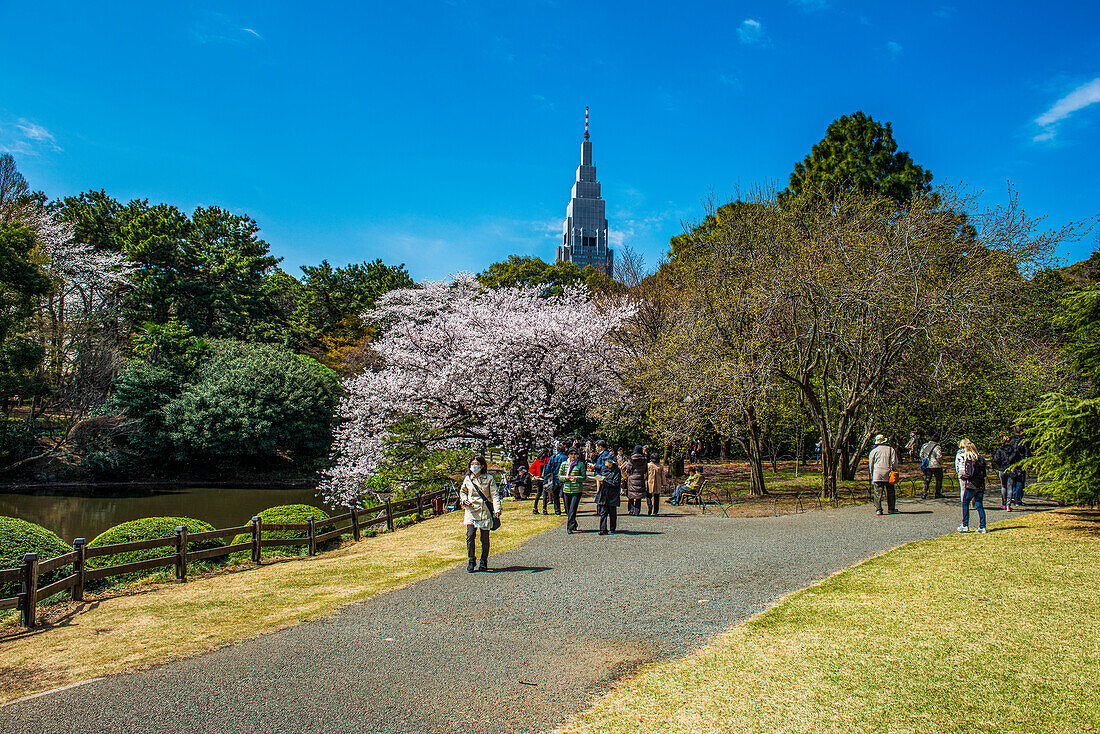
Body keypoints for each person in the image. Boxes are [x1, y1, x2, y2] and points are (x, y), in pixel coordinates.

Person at [459, 455, 501, 572]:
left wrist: (497, 509)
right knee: (470, 536)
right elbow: (463, 491)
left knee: (484, 538)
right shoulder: (468, 478)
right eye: (472, 464)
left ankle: (484, 561)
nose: (474, 466)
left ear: (482, 466)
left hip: (484, 511)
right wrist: (463, 499)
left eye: (476, 464)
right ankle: (471, 559)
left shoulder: (489, 478)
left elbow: (495, 495)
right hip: (471, 511)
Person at [957, 438, 988, 533]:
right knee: (979, 504)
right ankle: (982, 526)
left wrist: (964, 477)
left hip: (972, 485)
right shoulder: (981, 459)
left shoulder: (970, 460)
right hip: (980, 484)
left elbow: (970, 473)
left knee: (965, 502)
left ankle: (965, 524)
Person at [867, 434, 899, 515]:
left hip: (877, 473)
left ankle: (878, 509)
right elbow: (894, 462)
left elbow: (871, 463)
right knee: (890, 491)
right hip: (888, 473)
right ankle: (891, 508)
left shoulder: (874, 451)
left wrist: (871, 473)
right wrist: (895, 470)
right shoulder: (890, 450)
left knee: (878, 492)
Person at [559, 447, 586, 533]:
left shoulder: (580, 464)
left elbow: (584, 477)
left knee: (573, 509)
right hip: (566, 489)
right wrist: (565, 478)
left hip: (576, 490)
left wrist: (577, 478)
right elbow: (560, 476)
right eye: (571, 454)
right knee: (567, 509)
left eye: (575, 454)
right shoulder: (564, 464)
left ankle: (569, 527)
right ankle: (573, 523)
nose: (573, 456)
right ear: (568, 455)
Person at [596, 453, 621, 535]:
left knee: (612, 512)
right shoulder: (603, 469)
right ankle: (603, 529)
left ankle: (612, 528)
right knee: (603, 512)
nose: (605, 462)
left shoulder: (616, 471)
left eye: (607, 460)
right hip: (604, 493)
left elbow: (616, 483)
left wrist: (605, 481)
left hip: (612, 494)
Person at [1006, 425, 1030, 507]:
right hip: (1020, 462)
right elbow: (1027, 452)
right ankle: (1018, 499)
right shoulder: (1023, 441)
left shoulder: (1011, 440)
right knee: (1020, 481)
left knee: (1012, 480)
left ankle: (1012, 497)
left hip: (1012, 462)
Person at [991, 435, 1015, 511]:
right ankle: (1008, 504)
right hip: (1011, 469)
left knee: (1003, 486)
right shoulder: (1013, 450)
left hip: (1002, 469)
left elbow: (996, 459)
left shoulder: (1000, 450)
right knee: (1010, 487)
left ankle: (1003, 503)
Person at [543, 445, 567, 516]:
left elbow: (548, 468)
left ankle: (557, 511)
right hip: (563, 478)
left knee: (555, 496)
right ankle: (567, 509)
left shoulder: (553, 457)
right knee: (565, 495)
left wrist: (546, 476)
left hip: (554, 479)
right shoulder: (565, 458)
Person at [625, 446, 648, 516]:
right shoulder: (644, 459)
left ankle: (631, 509)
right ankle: (637, 510)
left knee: (631, 495)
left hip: (632, 478)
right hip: (640, 478)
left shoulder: (631, 459)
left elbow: (628, 469)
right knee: (638, 496)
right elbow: (645, 469)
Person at [919, 433, 944, 499]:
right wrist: (940, 463)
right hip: (936, 465)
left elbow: (921, 454)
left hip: (927, 465)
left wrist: (924, 460)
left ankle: (924, 493)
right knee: (938, 479)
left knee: (927, 479)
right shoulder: (937, 447)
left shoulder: (925, 445)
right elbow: (939, 456)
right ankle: (937, 493)